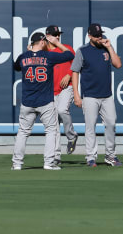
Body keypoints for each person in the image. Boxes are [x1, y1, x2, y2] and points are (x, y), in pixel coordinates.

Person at [12, 32, 74, 170]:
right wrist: (58, 43)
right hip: (45, 101)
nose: (46, 43)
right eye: (45, 41)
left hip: (27, 102)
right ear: (41, 41)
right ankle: (48, 163)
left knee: (23, 132)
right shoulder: (48, 56)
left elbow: (16, 66)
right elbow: (70, 55)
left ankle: (17, 164)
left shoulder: (23, 57)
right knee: (51, 131)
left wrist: (28, 53)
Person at [71, 23, 122, 167]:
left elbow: (118, 64)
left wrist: (110, 47)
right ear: (89, 36)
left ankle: (110, 155)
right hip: (90, 95)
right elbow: (75, 72)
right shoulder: (82, 51)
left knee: (111, 124)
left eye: (101, 34)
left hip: (107, 95)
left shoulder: (106, 48)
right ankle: (91, 157)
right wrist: (76, 94)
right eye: (96, 35)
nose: (100, 37)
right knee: (90, 127)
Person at [45, 25, 78, 165]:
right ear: (47, 36)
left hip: (66, 87)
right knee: (54, 125)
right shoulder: (42, 51)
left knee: (62, 110)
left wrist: (69, 75)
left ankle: (71, 136)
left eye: (58, 34)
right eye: (54, 34)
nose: (57, 36)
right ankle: (56, 156)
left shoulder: (67, 48)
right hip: (50, 90)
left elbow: (77, 64)